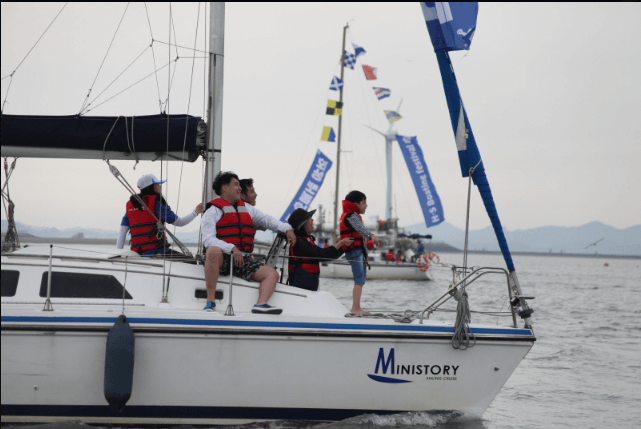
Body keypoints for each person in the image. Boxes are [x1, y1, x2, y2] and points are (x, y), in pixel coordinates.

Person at [201, 171, 296, 314]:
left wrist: (287, 228)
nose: (240, 188)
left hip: (243, 259)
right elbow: (208, 239)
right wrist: (231, 248)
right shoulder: (212, 211)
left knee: (272, 274)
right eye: (236, 184)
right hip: (222, 258)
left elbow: (267, 220)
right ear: (224, 187)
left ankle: (260, 304)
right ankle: (210, 301)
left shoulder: (247, 209)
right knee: (212, 251)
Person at [117, 174, 203, 255]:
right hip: (158, 252)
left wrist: (118, 253)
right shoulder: (157, 203)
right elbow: (180, 222)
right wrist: (196, 212)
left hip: (138, 254)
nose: (160, 186)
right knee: (192, 262)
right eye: (158, 184)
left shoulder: (132, 205)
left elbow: (122, 233)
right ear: (153, 187)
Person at [286, 208, 353, 291]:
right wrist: (341, 243)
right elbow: (323, 254)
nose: (312, 220)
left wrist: (344, 246)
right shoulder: (299, 243)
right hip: (300, 289)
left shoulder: (305, 241)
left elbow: (331, 256)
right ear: (303, 224)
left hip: (307, 288)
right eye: (309, 218)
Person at [339, 190, 380, 315]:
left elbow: (359, 236)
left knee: (361, 281)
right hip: (354, 252)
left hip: (358, 252)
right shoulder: (351, 216)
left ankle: (357, 307)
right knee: (359, 280)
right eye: (364, 203)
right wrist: (371, 235)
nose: (366, 205)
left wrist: (365, 254)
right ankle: (355, 308)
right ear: (356, 204)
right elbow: (360, 228)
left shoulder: (352, 215)